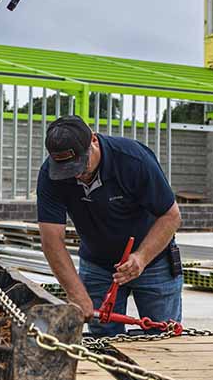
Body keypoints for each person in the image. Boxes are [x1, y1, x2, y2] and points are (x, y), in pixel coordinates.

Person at [36, 116, 183, 336]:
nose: (76, 174)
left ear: (93, 140)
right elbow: (51, 240)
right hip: (98, 266)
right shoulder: (50, 176)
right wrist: (76, 293)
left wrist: (141, 258)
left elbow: (171, 216)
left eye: (80, 166)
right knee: (104, 343)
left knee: (162, 339)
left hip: (154, 265)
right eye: (67, 169)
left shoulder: (133, 160)